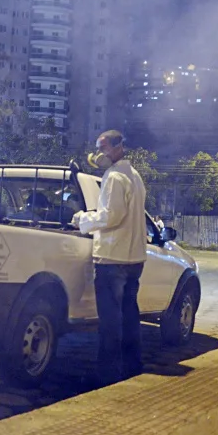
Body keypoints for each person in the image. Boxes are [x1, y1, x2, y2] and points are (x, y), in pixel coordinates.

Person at [72, 130, 148, 385]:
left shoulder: (114, 177)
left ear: (118, 147)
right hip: (134, 259)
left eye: (102, 147)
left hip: (113, 259)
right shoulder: (135, 177)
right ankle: (132, 365)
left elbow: (110, 216)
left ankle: (108, 373)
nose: (98, 154)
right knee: (128, 316)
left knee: (110, 320)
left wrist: (82, 219)